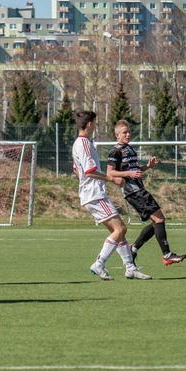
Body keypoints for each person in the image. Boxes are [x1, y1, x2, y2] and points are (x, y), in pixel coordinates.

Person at [72, 111, 151, 281]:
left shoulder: (78, 144)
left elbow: (77, 170)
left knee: (118, 234)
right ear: (89, 124)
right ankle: (99, 263)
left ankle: (130, 268)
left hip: (90, 194)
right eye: (95, 122)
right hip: (95, 194)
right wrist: (111, 178)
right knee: (121, 229)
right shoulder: (84, 143)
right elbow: (89, 171)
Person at [106, 120, 186, 266]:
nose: (128, 134)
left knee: (156, 222)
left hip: (139, 189)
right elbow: (110, 172)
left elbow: (136, 171)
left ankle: (133, 249)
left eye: (129, 131)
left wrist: (147, 166)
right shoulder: (115, 151)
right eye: (125, 132)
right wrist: (129, 173)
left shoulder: (130, 149)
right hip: (132, 191)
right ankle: (167, 254)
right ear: (117, 135)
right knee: (159, 219)